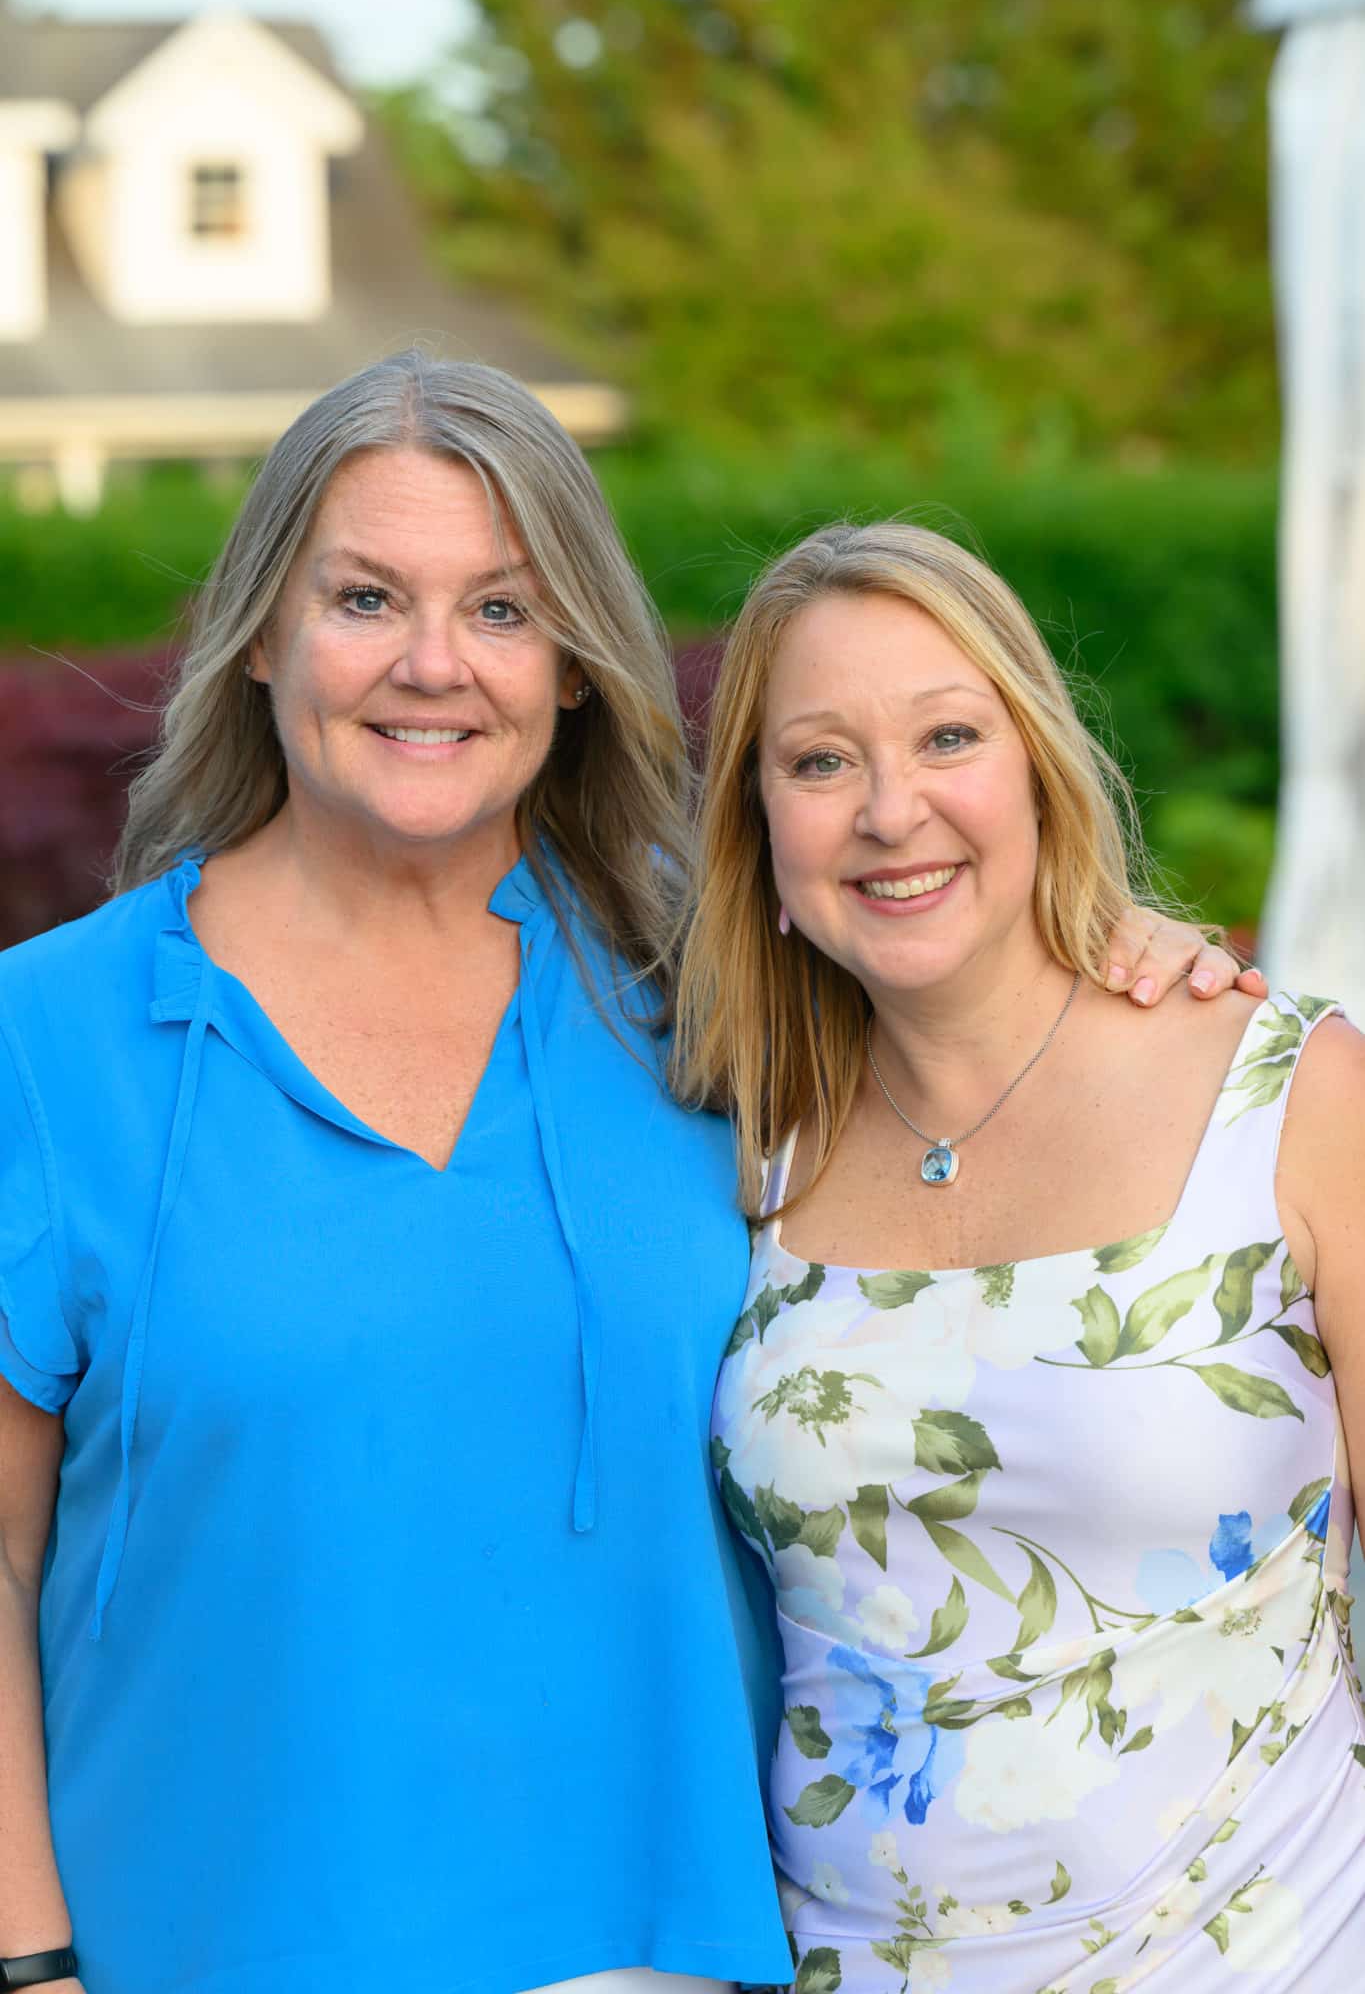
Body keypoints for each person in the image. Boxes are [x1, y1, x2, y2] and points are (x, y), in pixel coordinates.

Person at [0, 355, 1260, 1994]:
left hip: (664, 1959)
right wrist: (29, 1963)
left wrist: (1118, 951)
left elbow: (965, 985)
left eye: (503, 610)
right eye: (365, 598)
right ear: (259, 635)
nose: (434, 664)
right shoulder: (51, 1040)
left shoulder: (715, 991)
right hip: (200, 1950)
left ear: (576, 662)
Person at [680, 519, 1365, 1990]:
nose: (891, 811)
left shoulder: (1289, 1095)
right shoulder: (732, 1148)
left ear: (1039, 769)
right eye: (820, 762)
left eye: (948, 737)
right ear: (761, 832)